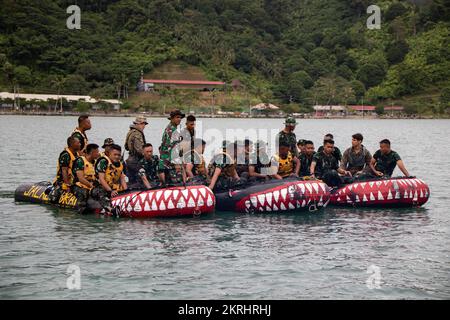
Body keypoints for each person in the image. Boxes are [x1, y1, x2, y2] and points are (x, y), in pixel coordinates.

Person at [91, 144, 127, 214]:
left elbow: (122, 179)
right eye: (115, 154)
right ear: (109, 154)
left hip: (112, 188)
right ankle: (110, 209)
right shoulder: (103, 161)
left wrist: (126, 192)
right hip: (98, 187)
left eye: (119, 155)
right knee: (101, 192)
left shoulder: (121, 164)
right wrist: (110, 191)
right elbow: (101, 179)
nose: (117, 157)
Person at [48, 136, 81, 203]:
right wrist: (67, 185)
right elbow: (64, 170)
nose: (80, 144)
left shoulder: (76, 154)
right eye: (78, 143)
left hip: (73, 181)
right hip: (62, 182)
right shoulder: (65, 154)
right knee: (54, 199)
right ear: (72, 144)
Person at [71, 143, 100, 214]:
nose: (98, 154)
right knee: (83, 193)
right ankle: (80, 210)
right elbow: (81, 178)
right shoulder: (80, 161)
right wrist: (91, 186)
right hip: (79, 185)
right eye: (97, 152)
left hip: (91, 185)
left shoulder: (96, 162)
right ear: (91, 153)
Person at [158, 109, 185, 185]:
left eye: (180, 117)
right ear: (172, 118)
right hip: (170, 161)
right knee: (175, 183)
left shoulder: (169, 128)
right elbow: (174, 148)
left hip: (166, 160)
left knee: (168, 183)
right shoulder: (172, 130)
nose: (179, 119)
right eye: (177, 117)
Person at [124, 116, 148, 185]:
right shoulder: (137, 134)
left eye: (144, 124)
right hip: (136, 161)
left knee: (132, 182)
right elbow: (139, 150)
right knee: (139, 183)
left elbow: (126, 147)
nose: (144, 126)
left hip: (130, 160)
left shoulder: (131, 132)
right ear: (137, 124)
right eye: (142, 123)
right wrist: (148, 156)